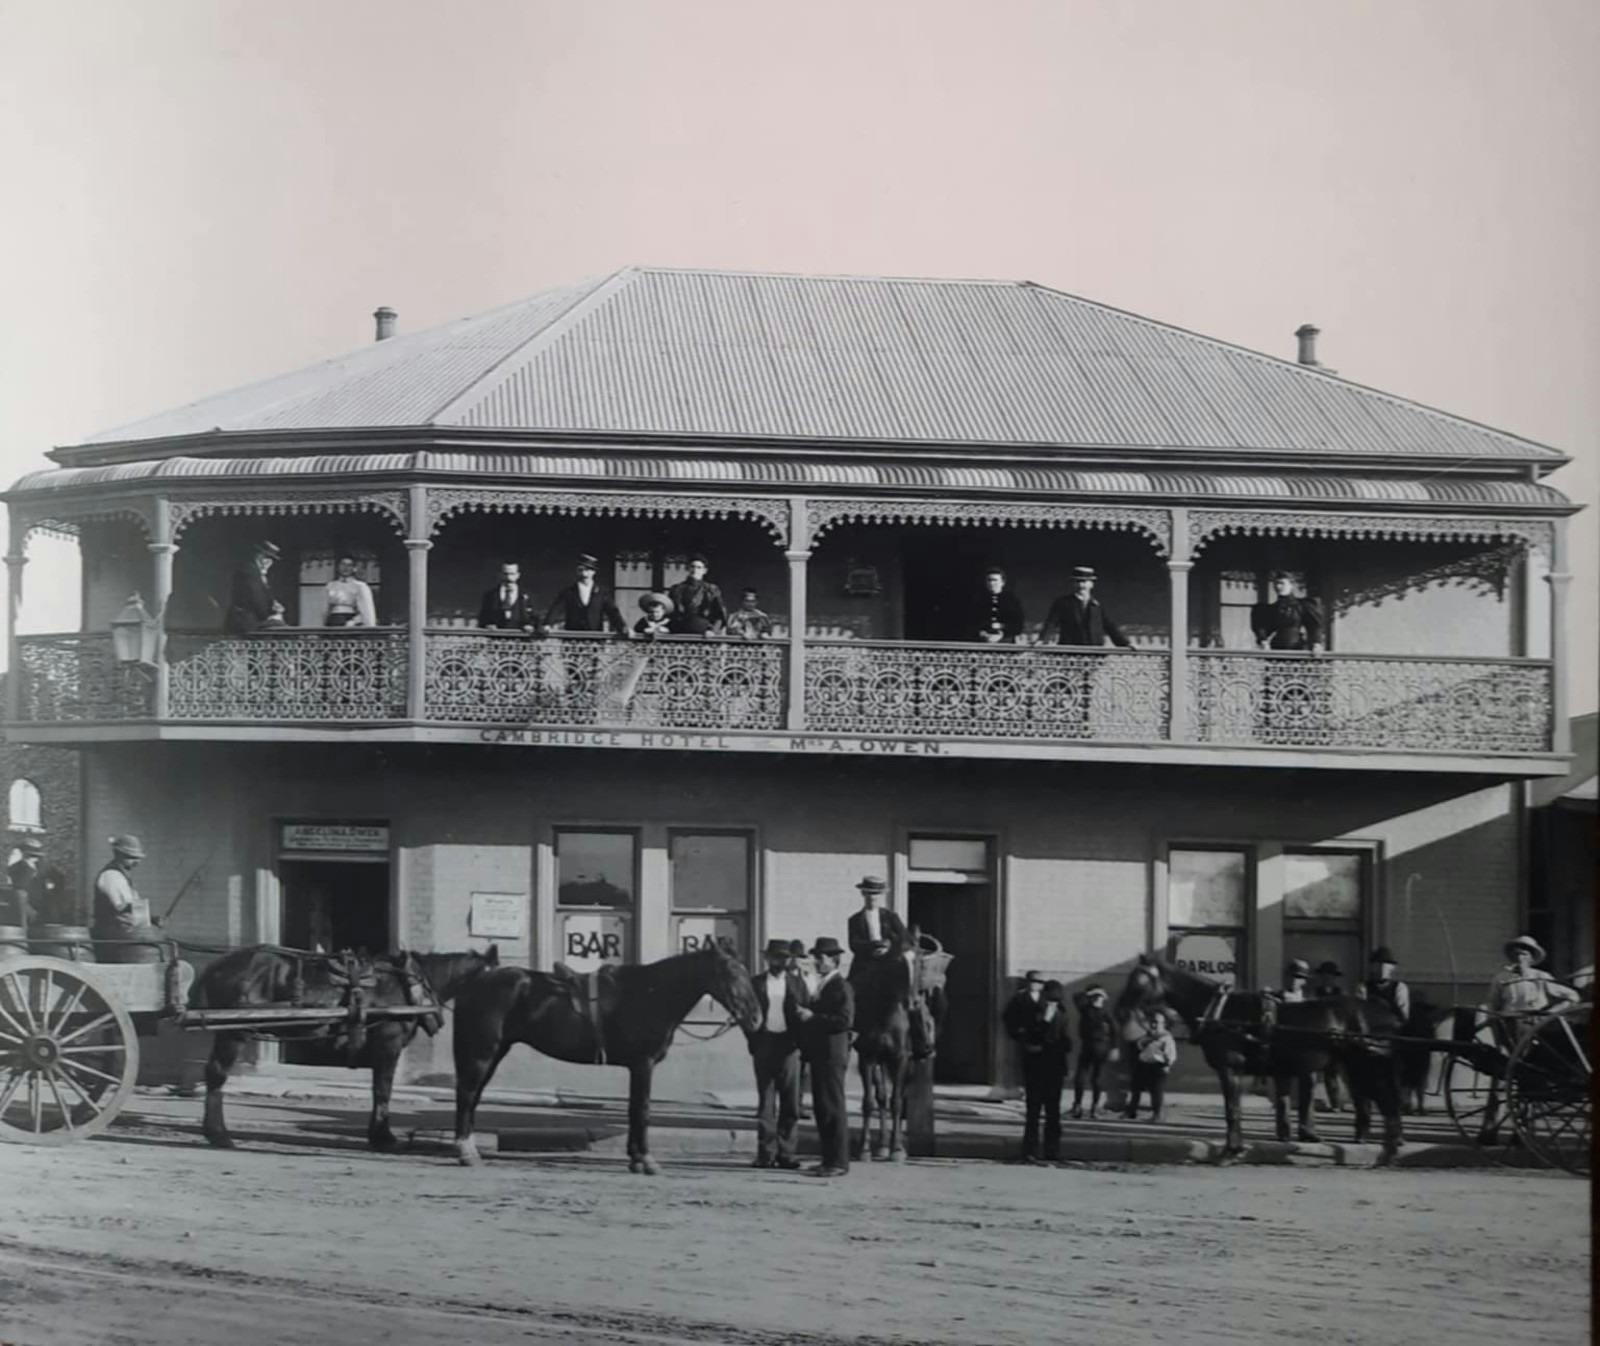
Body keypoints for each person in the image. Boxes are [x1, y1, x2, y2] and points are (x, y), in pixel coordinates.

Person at [792, 936, 854, 1177]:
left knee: (833, 1106)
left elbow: (845, 1020)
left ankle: (838, 1161)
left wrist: (812, 1017)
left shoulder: (840, 986)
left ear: (834, 960)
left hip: (832, 1054)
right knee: (823, 1107)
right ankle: (829, 1159)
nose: (817, 961)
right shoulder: (824, 984)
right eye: (816, 957)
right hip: (821, 1054)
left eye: (821, 957)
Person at [747, 939, 809, 1170]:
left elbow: (805, 1011)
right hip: (765, 1044)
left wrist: (800, 1043)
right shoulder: (756, 984)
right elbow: (747, 1016)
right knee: (766, 1102)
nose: (779, 962)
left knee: (790, 1103)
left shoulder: (796, 984)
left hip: (788, 1046)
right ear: (767, 959)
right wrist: (753, 1042)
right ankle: (765, 1154)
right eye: (775, 957)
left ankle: (787, 1154)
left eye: (783, 958)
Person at [92, 834, 160, 962]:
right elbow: (124, 907)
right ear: (118, 855)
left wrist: (152, 919)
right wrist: (147, 919)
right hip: (112, 938)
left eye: (138, 858)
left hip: (121, 935)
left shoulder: (123, 877)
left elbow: (133, 908)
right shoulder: (111, 876)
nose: (137, 862)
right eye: (132, 858)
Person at [1003, 971, 1048, 1158]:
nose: (1034, 984)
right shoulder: (1019, 999)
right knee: (1030, 1085)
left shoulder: (1047, 1001)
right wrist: (1018, 1033)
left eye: (1038, 982)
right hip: (1027, 1043)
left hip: (1045, 1048)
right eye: (1032, 981)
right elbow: (1008, 1017)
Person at [1484, 935, 1580, 1016]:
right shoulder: (1501, 978)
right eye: (1516, 954)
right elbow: (1493, 1004)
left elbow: (1572, 996)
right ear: (1511, 957)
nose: (1520, 958)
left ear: (1531, 958)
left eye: (1524, 954)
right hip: (1509, 1022)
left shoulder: (1540, 976)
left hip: (1534, 1022)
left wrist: (1552, 1012)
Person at [1040, 566, 1131, 648]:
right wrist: (1042, 640)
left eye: (1085, 582)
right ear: (1073, 584)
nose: (1081, 585)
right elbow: (1051, 624)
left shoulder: (1097, 605)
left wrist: (1126, 643)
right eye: (1078, 582)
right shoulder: (1062, 603)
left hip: (1095, 652)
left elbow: (1110, 626)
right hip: (1071, 651)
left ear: (1091, 584)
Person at [543, 555, 627, 634]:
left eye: (588, 570)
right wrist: (547, 624)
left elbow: (612, 611)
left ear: (594, 572)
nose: (584, 574)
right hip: (573, 637)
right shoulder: (568, 592)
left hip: (595, 638)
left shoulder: (602, 592)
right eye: (581, 570)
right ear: (577, 571)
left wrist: (623, 627)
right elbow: (556, 609)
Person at [1070, 984, 1116, 1120]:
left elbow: (1076, 996)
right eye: (1097, 997)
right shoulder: (1100, 1012)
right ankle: (1091, 1108)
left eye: (1099, 997)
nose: (1098, 1000)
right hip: (1098, 1046)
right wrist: (1114, 1047)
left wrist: (1090, 993)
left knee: (1085, 1076)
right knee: (1092, 1077)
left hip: (1093, 1046)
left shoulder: (1086, 1010)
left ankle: (1081, 1106)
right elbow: (1114, 1031)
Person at [845, 875, 906, 975]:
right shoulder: (855, 919)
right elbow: (853, 944)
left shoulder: (891, 917)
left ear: (881, 894)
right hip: (864, 964)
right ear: (863, 893)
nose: (872, 897)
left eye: (875, 893)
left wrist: (889, 946)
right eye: (868, 893)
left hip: (888, 963)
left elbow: (905, 939)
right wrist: (873, 947)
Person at [1125, 1008, 1177, 1123]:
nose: (1154, 1025)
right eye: (1152, 1022)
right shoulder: (1147, 1036)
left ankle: (1158, 1115)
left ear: (1164, 1024)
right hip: (1143, 1064)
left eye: (1157, 1022)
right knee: (1135, 1088)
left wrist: (1167, 1064)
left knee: (1156, 1091)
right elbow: (1140, 1046)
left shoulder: (1166, 1038)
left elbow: (1171, 1054)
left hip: (1158, 1066)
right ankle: (1131, 1111)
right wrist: (1146, 1040)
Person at [224, 540, 287, 634]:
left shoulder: (256, 572)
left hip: (251, 620)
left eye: (272, 560)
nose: (270, 563)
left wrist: (274, 606)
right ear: (259, 556)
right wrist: (271, 614)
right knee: (280, 626)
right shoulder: (249, 571)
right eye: (268, 558)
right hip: (246, 622)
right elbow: (257, 599)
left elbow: (263, 597)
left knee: (280, 626)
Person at [1251, 571, 1323, 651]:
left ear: (1291, 585)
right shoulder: (1273, 609)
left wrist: (1317, 643)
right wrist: (1263, 640)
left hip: (1297, 648)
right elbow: (1262, 627)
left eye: (1282, 583)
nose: (1278, 586)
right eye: (1276, 583)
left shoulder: (1302, 606)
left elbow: (1314, 626)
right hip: (1277, 648)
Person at [6, 836, 63, 929]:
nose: (35, 858)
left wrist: (52, 894)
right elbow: (19, 888)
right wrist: (29, 868)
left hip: (43, 905)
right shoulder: (16, 867)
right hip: (22, 905)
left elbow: (60, 879)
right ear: (23, 853)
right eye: (31, 855)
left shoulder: (45, 866)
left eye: (36, 855)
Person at [666, 554, 727, 635]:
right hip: (679, 631)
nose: (695, 570)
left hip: (704, 632)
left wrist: (713, 631)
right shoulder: (676, 589)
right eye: (692, 566)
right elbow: (669, 613)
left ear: (704, 571)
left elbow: (720, 615)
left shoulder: (711, 589)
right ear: (687, 568)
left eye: (699, 567)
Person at [477, 562, 538, 631]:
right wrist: (487, 625)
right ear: (500, 575)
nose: (508, 577)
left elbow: (534, 618)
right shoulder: (490, 595)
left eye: (512, 574)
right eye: (505, 574)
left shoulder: (528, 595)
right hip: (495, 638)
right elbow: (483, 618)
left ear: (518, 575)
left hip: (522, 638)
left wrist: (529, 625)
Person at [322, 554, 378, 628]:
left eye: (349, 565)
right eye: (343, 564)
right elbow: (325, 609)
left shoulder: (359, 586)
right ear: (338, 567)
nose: (346, 568)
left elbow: (367, 610)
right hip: (333, 620)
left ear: (354, 568)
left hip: (350, 620)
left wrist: (354, 621)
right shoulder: (330, 586)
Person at [1359, 947, 1411, 1023]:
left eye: (1386, 965)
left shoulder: (1400, 988)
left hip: (1392, 1029)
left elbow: (1404, 1017)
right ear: (1372, 967)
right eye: (1378, 964)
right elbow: (1360, 1013)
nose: (1382, 968)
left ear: (1392, 968)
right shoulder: (1363, 987)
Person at [975, 566, 1025, 644]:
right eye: (989, 580)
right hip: (982, 641)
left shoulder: (1011, 600)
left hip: (1005, 640)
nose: (991, 583)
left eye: (995, 580)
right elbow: (972, 622)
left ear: (1002, 583)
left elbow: (1018, 625)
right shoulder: (979, 600)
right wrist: (981, 633)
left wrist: (1002, 632)